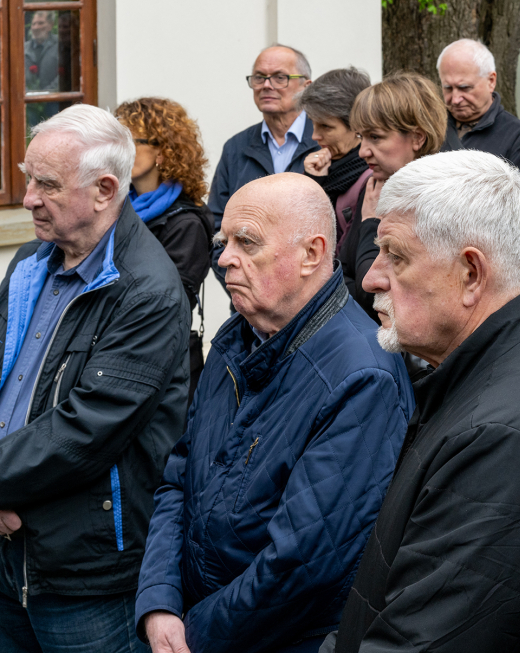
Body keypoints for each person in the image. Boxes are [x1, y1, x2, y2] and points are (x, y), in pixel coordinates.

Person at [323, 150, 520, 652]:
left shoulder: (505, 440)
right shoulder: (510, 369)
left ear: (472, 274)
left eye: (396, 256)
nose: (371, 278)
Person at [136, 173, 414, 653]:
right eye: (224, 242)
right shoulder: (235, 338)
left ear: (311, 253)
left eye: (247, 242)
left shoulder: (362, 376)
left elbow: (302, 562)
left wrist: (194, 634)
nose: (223, 259)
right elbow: (178, 477)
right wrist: (159, 600)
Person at [0, 105, 190, 652]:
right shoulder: (32, 262)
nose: (28, 196)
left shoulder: (146, 291)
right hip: (14, 554)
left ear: (106, 189)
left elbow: (86, 430)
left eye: (47, 184)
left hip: (84, 574)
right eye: (27, 175)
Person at [115, 97, 214, 404]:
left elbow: (168, 305)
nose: (120, 150)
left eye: (131, 141)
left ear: (162, 150)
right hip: (120, 353)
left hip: (162, 366)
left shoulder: (186, 222)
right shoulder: (115, 206)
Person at [208, 44, 316, 288]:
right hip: (249, 304)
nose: (267, 85)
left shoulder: (324, 142)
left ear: (306, 87)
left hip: (313, 297)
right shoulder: (236, 148)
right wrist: (244, 284)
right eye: (259, 77)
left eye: (280, 77)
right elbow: (215, 230)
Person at [340, 71, 447, 318]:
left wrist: (371, 224)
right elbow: (342, 271)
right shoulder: (375, 187)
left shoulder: (436, 201)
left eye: (375, 137)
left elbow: (374, 294)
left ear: (418, 137)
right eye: (360, 137)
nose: (362, 151)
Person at [436, 39, 520, 185]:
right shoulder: (429, 128)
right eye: (447, 88)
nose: (455, 99)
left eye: (464, 87)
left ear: (491, 81)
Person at [300, 67, 372, 244]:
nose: (315, 136)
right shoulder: (326, 167)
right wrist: (314, 181)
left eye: (326, 126)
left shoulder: (373, 175)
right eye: (312, 123)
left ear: (356, 125)